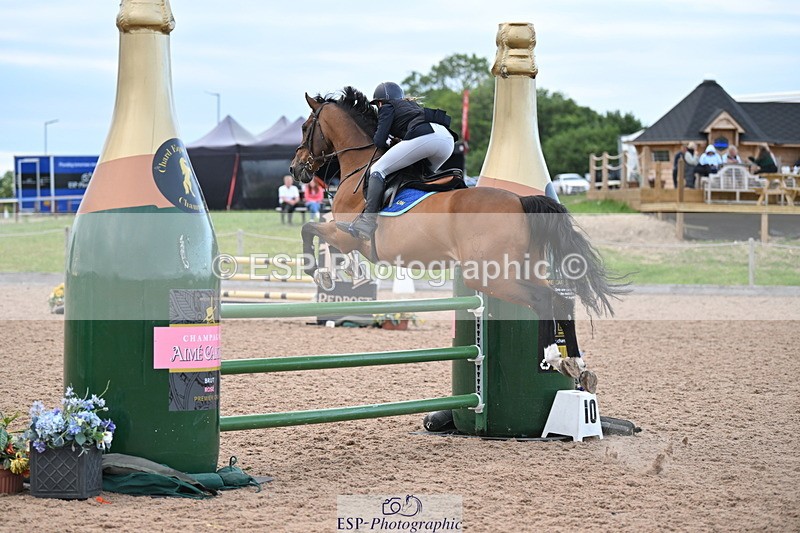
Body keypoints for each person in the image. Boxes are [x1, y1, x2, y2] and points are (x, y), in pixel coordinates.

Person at [348, 81, 456, 240]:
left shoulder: (386, 107)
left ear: (379, 102)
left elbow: (379, 141)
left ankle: (367, 222)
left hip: (426, 138)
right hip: (447, 141)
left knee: (378, 170)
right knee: (421, 177)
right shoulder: (412, 107)